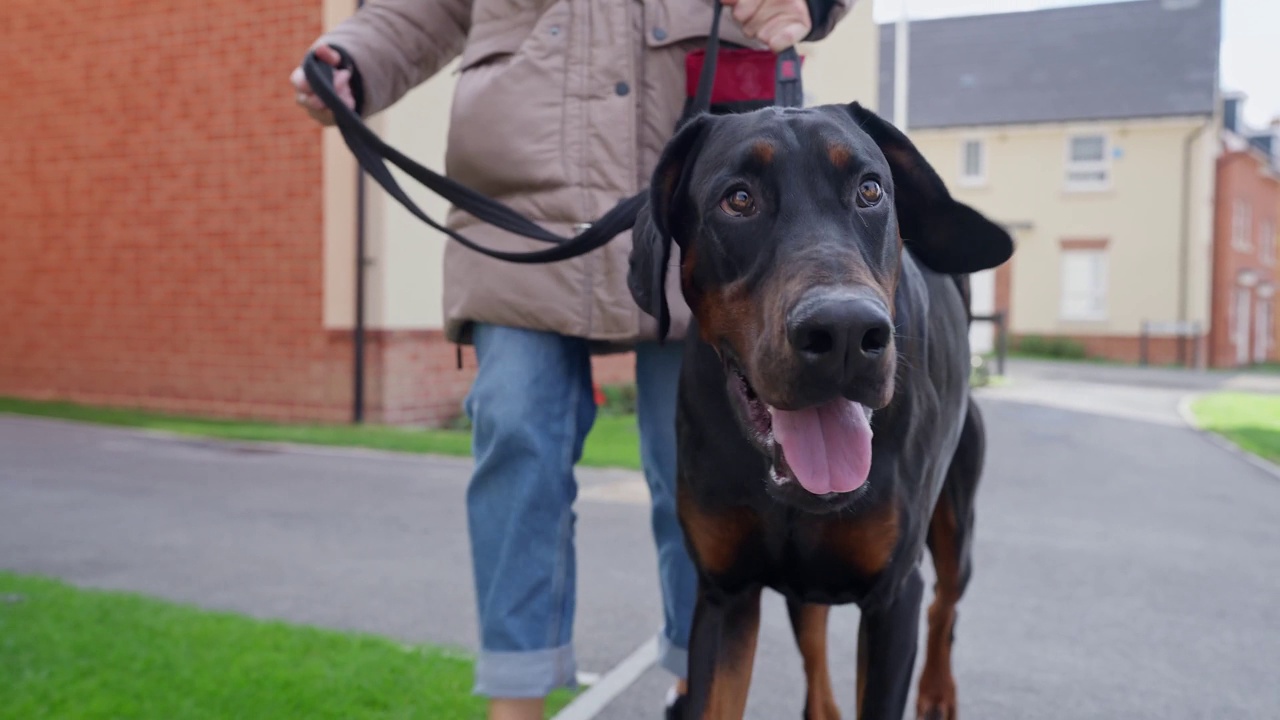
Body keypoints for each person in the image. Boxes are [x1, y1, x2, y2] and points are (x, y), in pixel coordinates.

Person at [290, 1, 853, 717]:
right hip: (520, 209)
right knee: (515, 431)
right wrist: (353, 57)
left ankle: (697, 684)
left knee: (700, 466)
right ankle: (517, 695)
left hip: (700, 210)